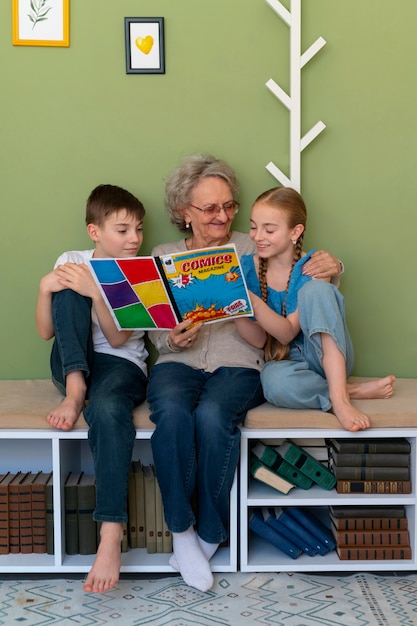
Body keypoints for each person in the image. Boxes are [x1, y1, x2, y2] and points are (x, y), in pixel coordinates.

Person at [146, 154, 342, 592]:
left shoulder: (252, 247)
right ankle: (182, 532)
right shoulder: (163, 257)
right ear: (184, 212)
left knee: (215, 417)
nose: (223, 216)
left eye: (229, 206)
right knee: (173, 415)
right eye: (210, 208)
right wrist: (171, 341)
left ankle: (211, 533)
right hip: (179, 363)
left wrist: (334, 266)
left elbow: (298, 270)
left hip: (241, 363)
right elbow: (156, 335)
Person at [35, 184, 148, 593]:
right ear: (94, 231)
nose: (134, 238)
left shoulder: (140, 271)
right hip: (70, 361)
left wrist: (95, 291)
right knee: (65, 289)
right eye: (122, 230)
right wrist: (47, 287)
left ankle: (110, 533)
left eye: (137, 229)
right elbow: (47, 330)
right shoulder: (73, 260)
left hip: (121, 365)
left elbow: (120, 340)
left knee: (107, 410)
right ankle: (75, 386)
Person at [235, 186, 395, 432]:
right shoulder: (245, 268)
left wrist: (252, 301)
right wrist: (236, 306)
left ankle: (340, 401)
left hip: (326, 354)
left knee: (315, 291)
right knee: (273, 382)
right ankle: (348, 390)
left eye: (268, 229)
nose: (257, 236)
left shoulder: (314, 267)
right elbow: (258, 341)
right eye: (253, 226)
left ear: (295, 232)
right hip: (287, 364)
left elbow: (287, 333)